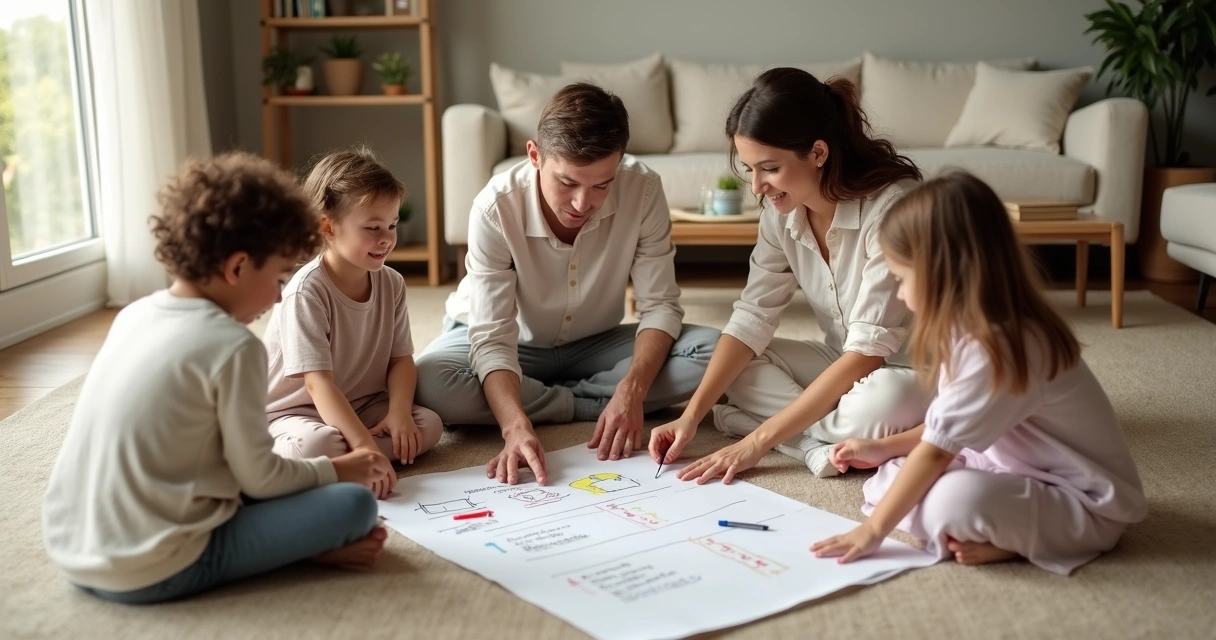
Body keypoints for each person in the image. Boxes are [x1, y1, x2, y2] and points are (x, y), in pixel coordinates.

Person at [43, 152, 393, 604]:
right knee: (355, 504)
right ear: (237, 267)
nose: (280, 294)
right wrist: (341, 469)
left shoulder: (134, 315)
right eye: (279, 277)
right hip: (153, 566)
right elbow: (260, 481)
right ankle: (301, 553)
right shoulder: (234, 346)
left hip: (71, 550)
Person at [811, 172, 1147, 574]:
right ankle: (998, 528)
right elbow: (945, 426)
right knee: (889, 476)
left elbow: (937, 451)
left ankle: (1014, 539)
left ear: (940, 271)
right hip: (1007, 464)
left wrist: (870, 532)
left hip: (1083, 502)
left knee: (951, 501)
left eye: (901, 279)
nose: (899, 293)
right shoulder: (967, 329)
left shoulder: (1003, 345)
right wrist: (883, 448)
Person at [415, 83, 719, 485]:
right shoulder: (495, 207)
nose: (582, 204)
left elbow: (660, 305)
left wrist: (631, 391)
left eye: (601, 185)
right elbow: (490, 336)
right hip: (512, 343)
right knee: (434, 383)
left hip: (594, 342)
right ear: (535, 155)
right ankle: (583, 401)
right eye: (568, 182)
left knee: (713, 352)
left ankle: (559, 398)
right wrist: (513, 426)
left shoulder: (643, 190)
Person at [649, 67, 925, 482]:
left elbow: (870, 352)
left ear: (818, 153)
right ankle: (813, 444)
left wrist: (755, 442)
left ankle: (768, 429)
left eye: (769, 169)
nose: (757, 187)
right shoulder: (782, 213)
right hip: (841, 359)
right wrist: (692, 416)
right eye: (749, 170)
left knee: (883, 401)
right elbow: (751, 317)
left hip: (908, 371)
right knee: (731, 364)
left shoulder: (893, 209)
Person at [264, 147, 442, 500]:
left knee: (429, 426)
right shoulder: (306, 291)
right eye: (372, 227)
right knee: (318, 444)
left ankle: (345, 462)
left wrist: (399, 412)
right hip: (296, 411)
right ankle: (329, 457)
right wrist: (365, 445)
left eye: (391, 225)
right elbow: (317, 385)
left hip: (362, 403)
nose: (387, 238)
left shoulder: (392, 283)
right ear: (328, 227)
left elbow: (401, 360)